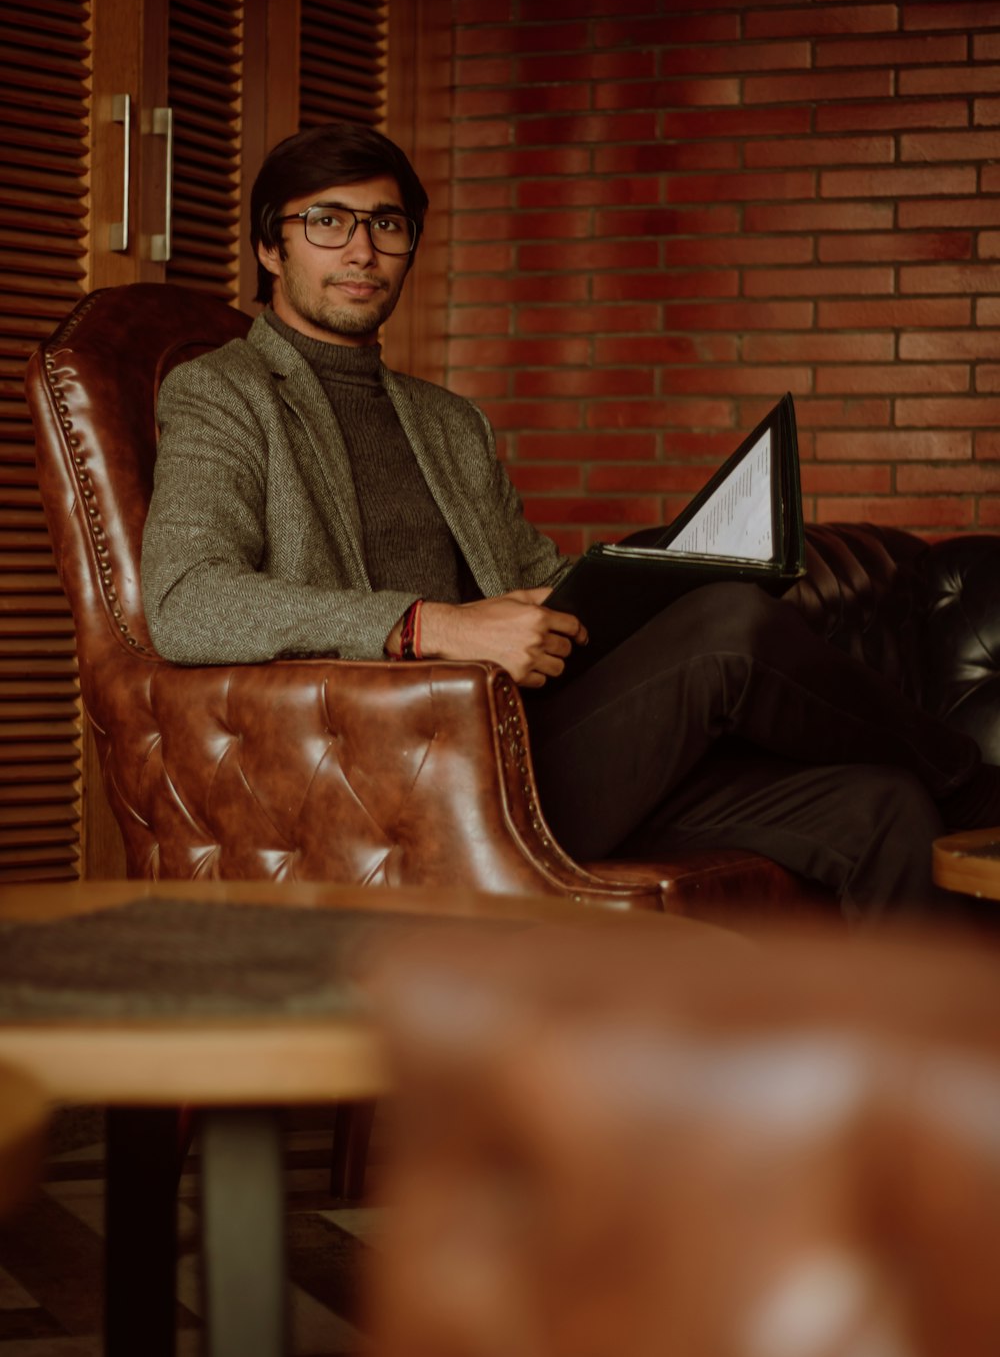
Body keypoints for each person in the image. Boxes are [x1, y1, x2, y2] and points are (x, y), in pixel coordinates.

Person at [141, 120, 1000, 920]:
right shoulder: (223, 394)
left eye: (387, 225)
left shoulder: (447, 420)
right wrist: (431, 626)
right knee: (731, 630)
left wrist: (665, 569)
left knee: (887, 809)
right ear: (268, 244)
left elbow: (535, 576)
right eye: (327, 222)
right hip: (410, 770)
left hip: (541, 741)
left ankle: (920, 1076)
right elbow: (187, 599)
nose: (362, 250)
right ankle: (978, 785)